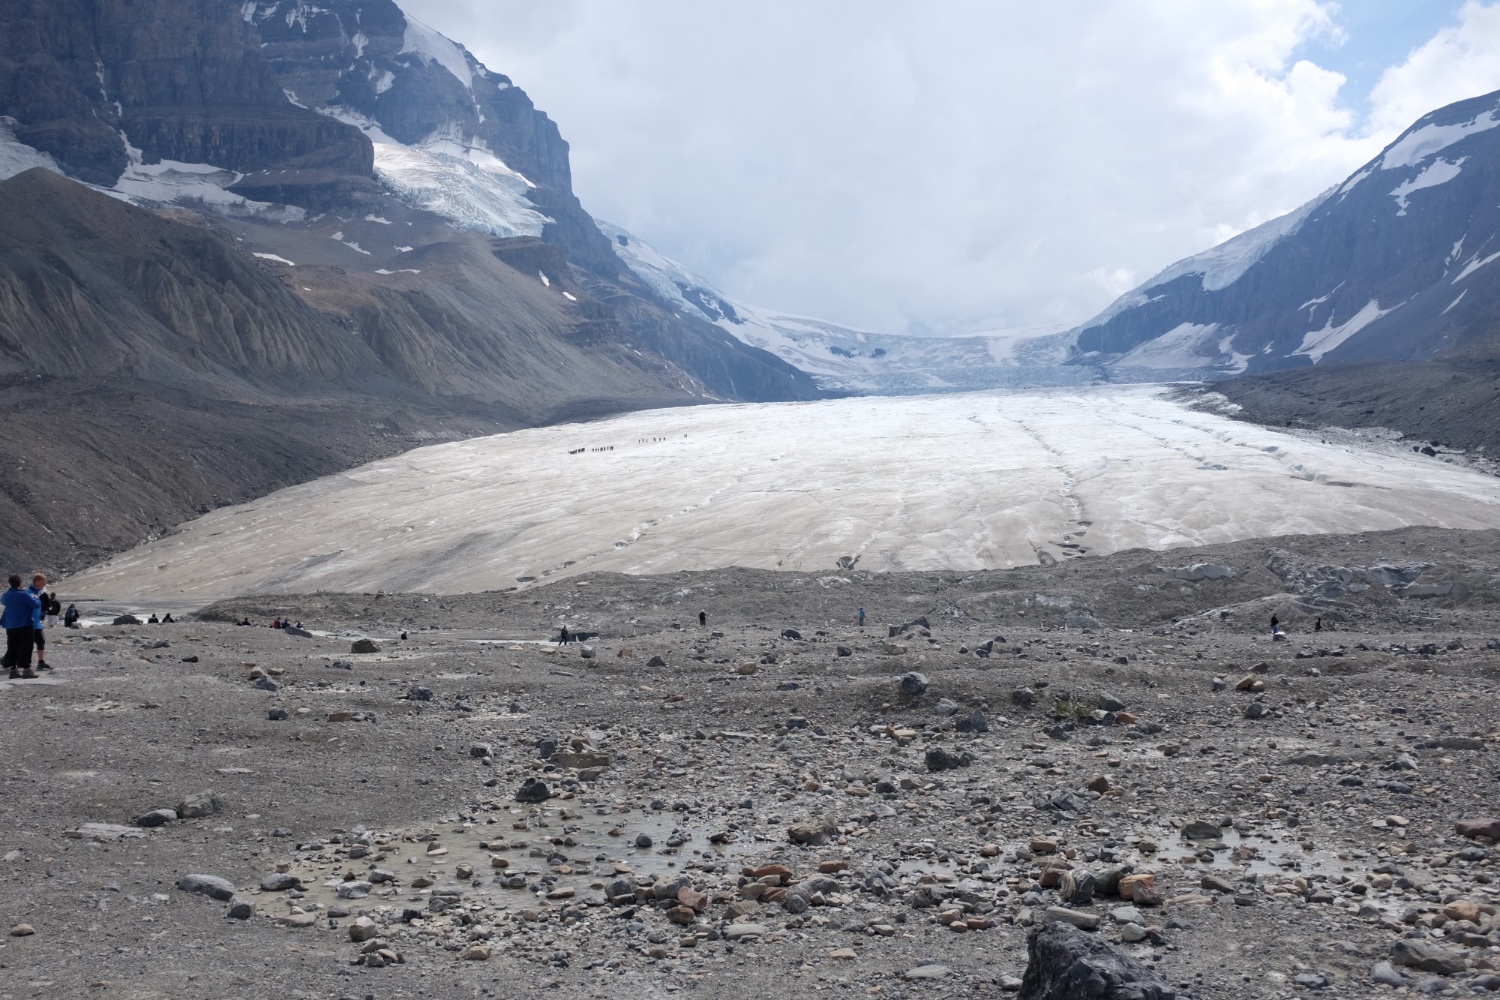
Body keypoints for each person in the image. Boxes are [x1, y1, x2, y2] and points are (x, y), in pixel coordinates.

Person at [2, 575, 40, 679]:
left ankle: (13, 670)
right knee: (27, 647)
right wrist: (36, 597)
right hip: (24, 624)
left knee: (12, 647)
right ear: (20, 583)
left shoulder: (5, 595)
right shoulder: (24, 595)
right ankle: (26, 669)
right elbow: (36, 604)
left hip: (11, 625)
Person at [28, 574, 49, 672]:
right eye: (42, 581)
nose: (44, 583)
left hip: (37, 623)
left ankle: (41, 663)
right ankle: (9, 660)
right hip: (29, 623)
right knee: (25, 644)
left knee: (41, 641)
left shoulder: (40, 593)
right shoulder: (29, 593)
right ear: (36, 581)